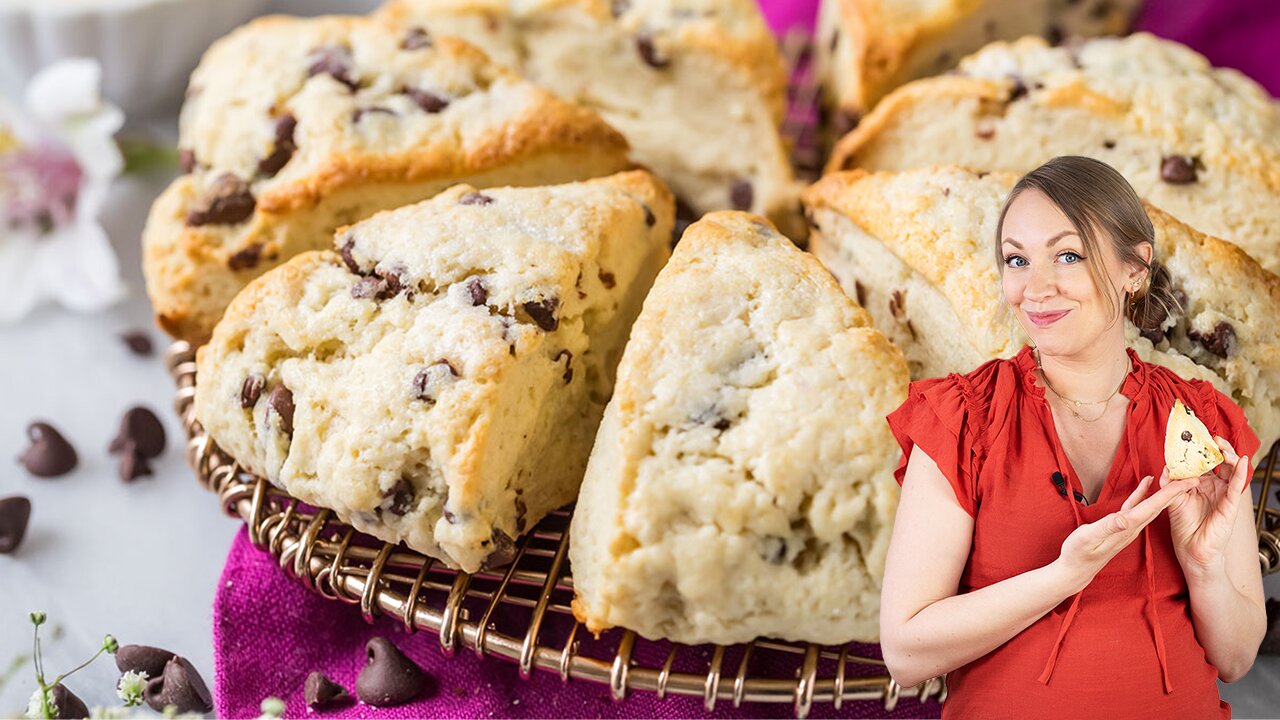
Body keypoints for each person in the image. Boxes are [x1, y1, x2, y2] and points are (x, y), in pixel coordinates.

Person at [879, 155, 1267, 718]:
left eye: (1067, 255)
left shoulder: (1203, 425)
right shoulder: (962, 418)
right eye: (1017, 259)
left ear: (1135, 267)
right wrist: (1066, 575)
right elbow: (906, 649)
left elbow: (1235, 659)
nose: (1035, 289)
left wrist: (1203, 565)